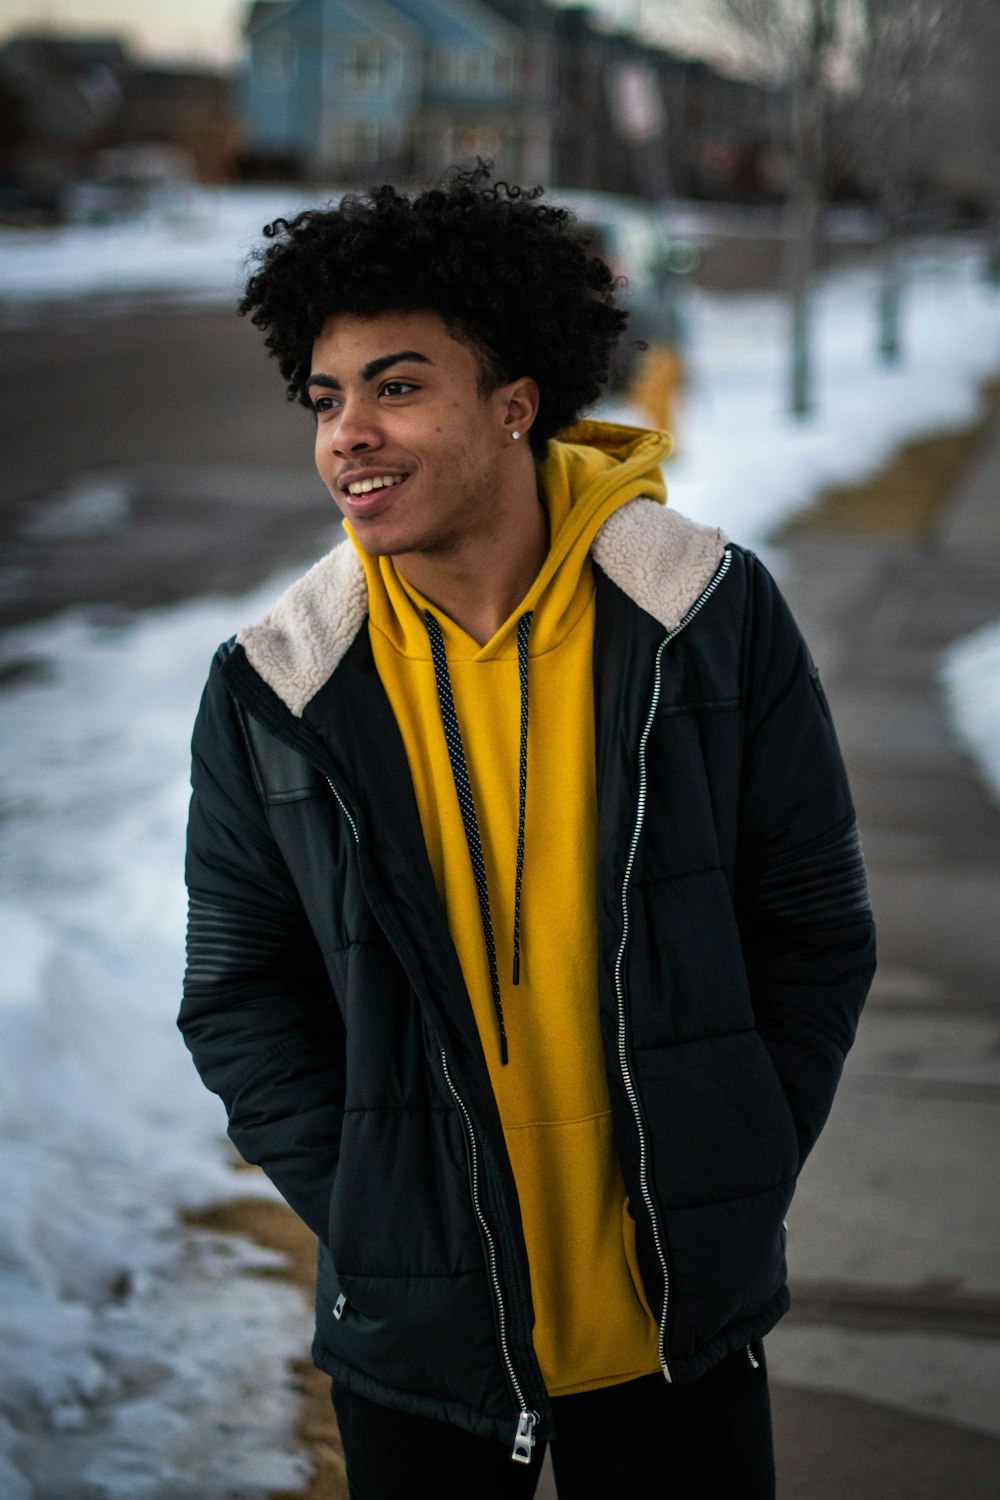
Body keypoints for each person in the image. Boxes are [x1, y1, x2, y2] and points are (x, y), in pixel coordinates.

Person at [178, 166, 875, 1499]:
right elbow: (238, 995)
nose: (348, 436)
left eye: (397, 386)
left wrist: (735, 1153)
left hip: (676, 1324)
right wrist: (381, 1214)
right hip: (417, 1340)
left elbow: (814, 929)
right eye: (327, 399)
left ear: (516, 403)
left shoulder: (704, 619)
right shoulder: (278, 684)